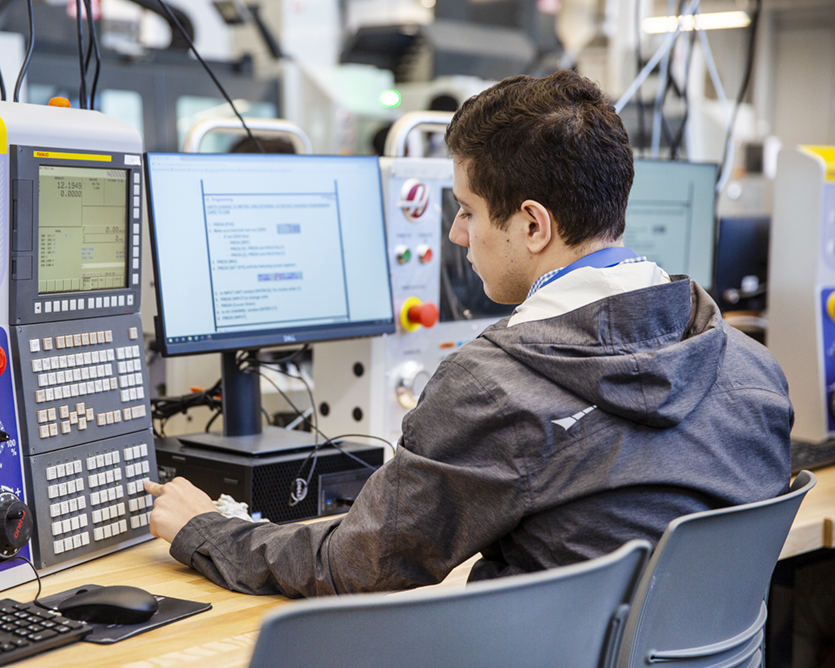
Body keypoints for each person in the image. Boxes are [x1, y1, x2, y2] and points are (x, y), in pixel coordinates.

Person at [143, 70, 793, 598]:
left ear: (534, 226)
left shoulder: (496, 386)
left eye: (468, 210)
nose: (456, 234)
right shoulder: (753, 369)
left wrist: (206, 529)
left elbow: (354, 567)